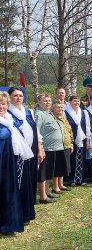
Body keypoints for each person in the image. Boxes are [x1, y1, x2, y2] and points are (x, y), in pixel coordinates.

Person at [7, 87, 43, 225]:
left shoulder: (29, 112)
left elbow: (36, 132)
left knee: (30, 182)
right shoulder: (8, 113)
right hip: (18, 156)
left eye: (20, 95)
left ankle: (28, 212)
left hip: (32, 153)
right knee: (20, 184)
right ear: (9, 97)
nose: (18, 98)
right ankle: (19, 214)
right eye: (15, 95)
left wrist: (40, 149)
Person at [0, 92, 25, 235]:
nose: (1, 106)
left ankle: (7, 224)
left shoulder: (8, 120)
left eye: (3, 103)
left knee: (7, 191)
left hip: (7, 162)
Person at [35, 93, 65, 203]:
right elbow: (36, 132)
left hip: (53, 148)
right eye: (45, 100)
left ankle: (47, 192)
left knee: (48, 173)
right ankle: (42, 197)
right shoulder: (39, 114)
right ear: (39, 102)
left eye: (49, 100)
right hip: (45, 148)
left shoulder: (49, 114)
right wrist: (40, 148)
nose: (48, 102)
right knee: (42, 173)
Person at [65, 95, 90, 186]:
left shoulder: (84, 113)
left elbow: (87, 127)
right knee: (72, 159)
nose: (77, 103)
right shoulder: (66, 112)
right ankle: (72, 179)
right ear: (70, 102)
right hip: (72, 139)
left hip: (82, 138)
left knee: (81, 158)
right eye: (75, 101)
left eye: (78, 101)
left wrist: (88, 140)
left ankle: (81, 179)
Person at [53, 101, 73, 193]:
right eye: (58, 108)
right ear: (53, 108)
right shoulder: (53, 119)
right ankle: (55, 186)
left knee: (63, 166)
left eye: (62, 108)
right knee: (57, 167)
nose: (60, 109)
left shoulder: (64, 119)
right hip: (57, 146)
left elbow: (69, 131)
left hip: (66, 145)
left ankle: (61, 184)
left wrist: (71, 143)